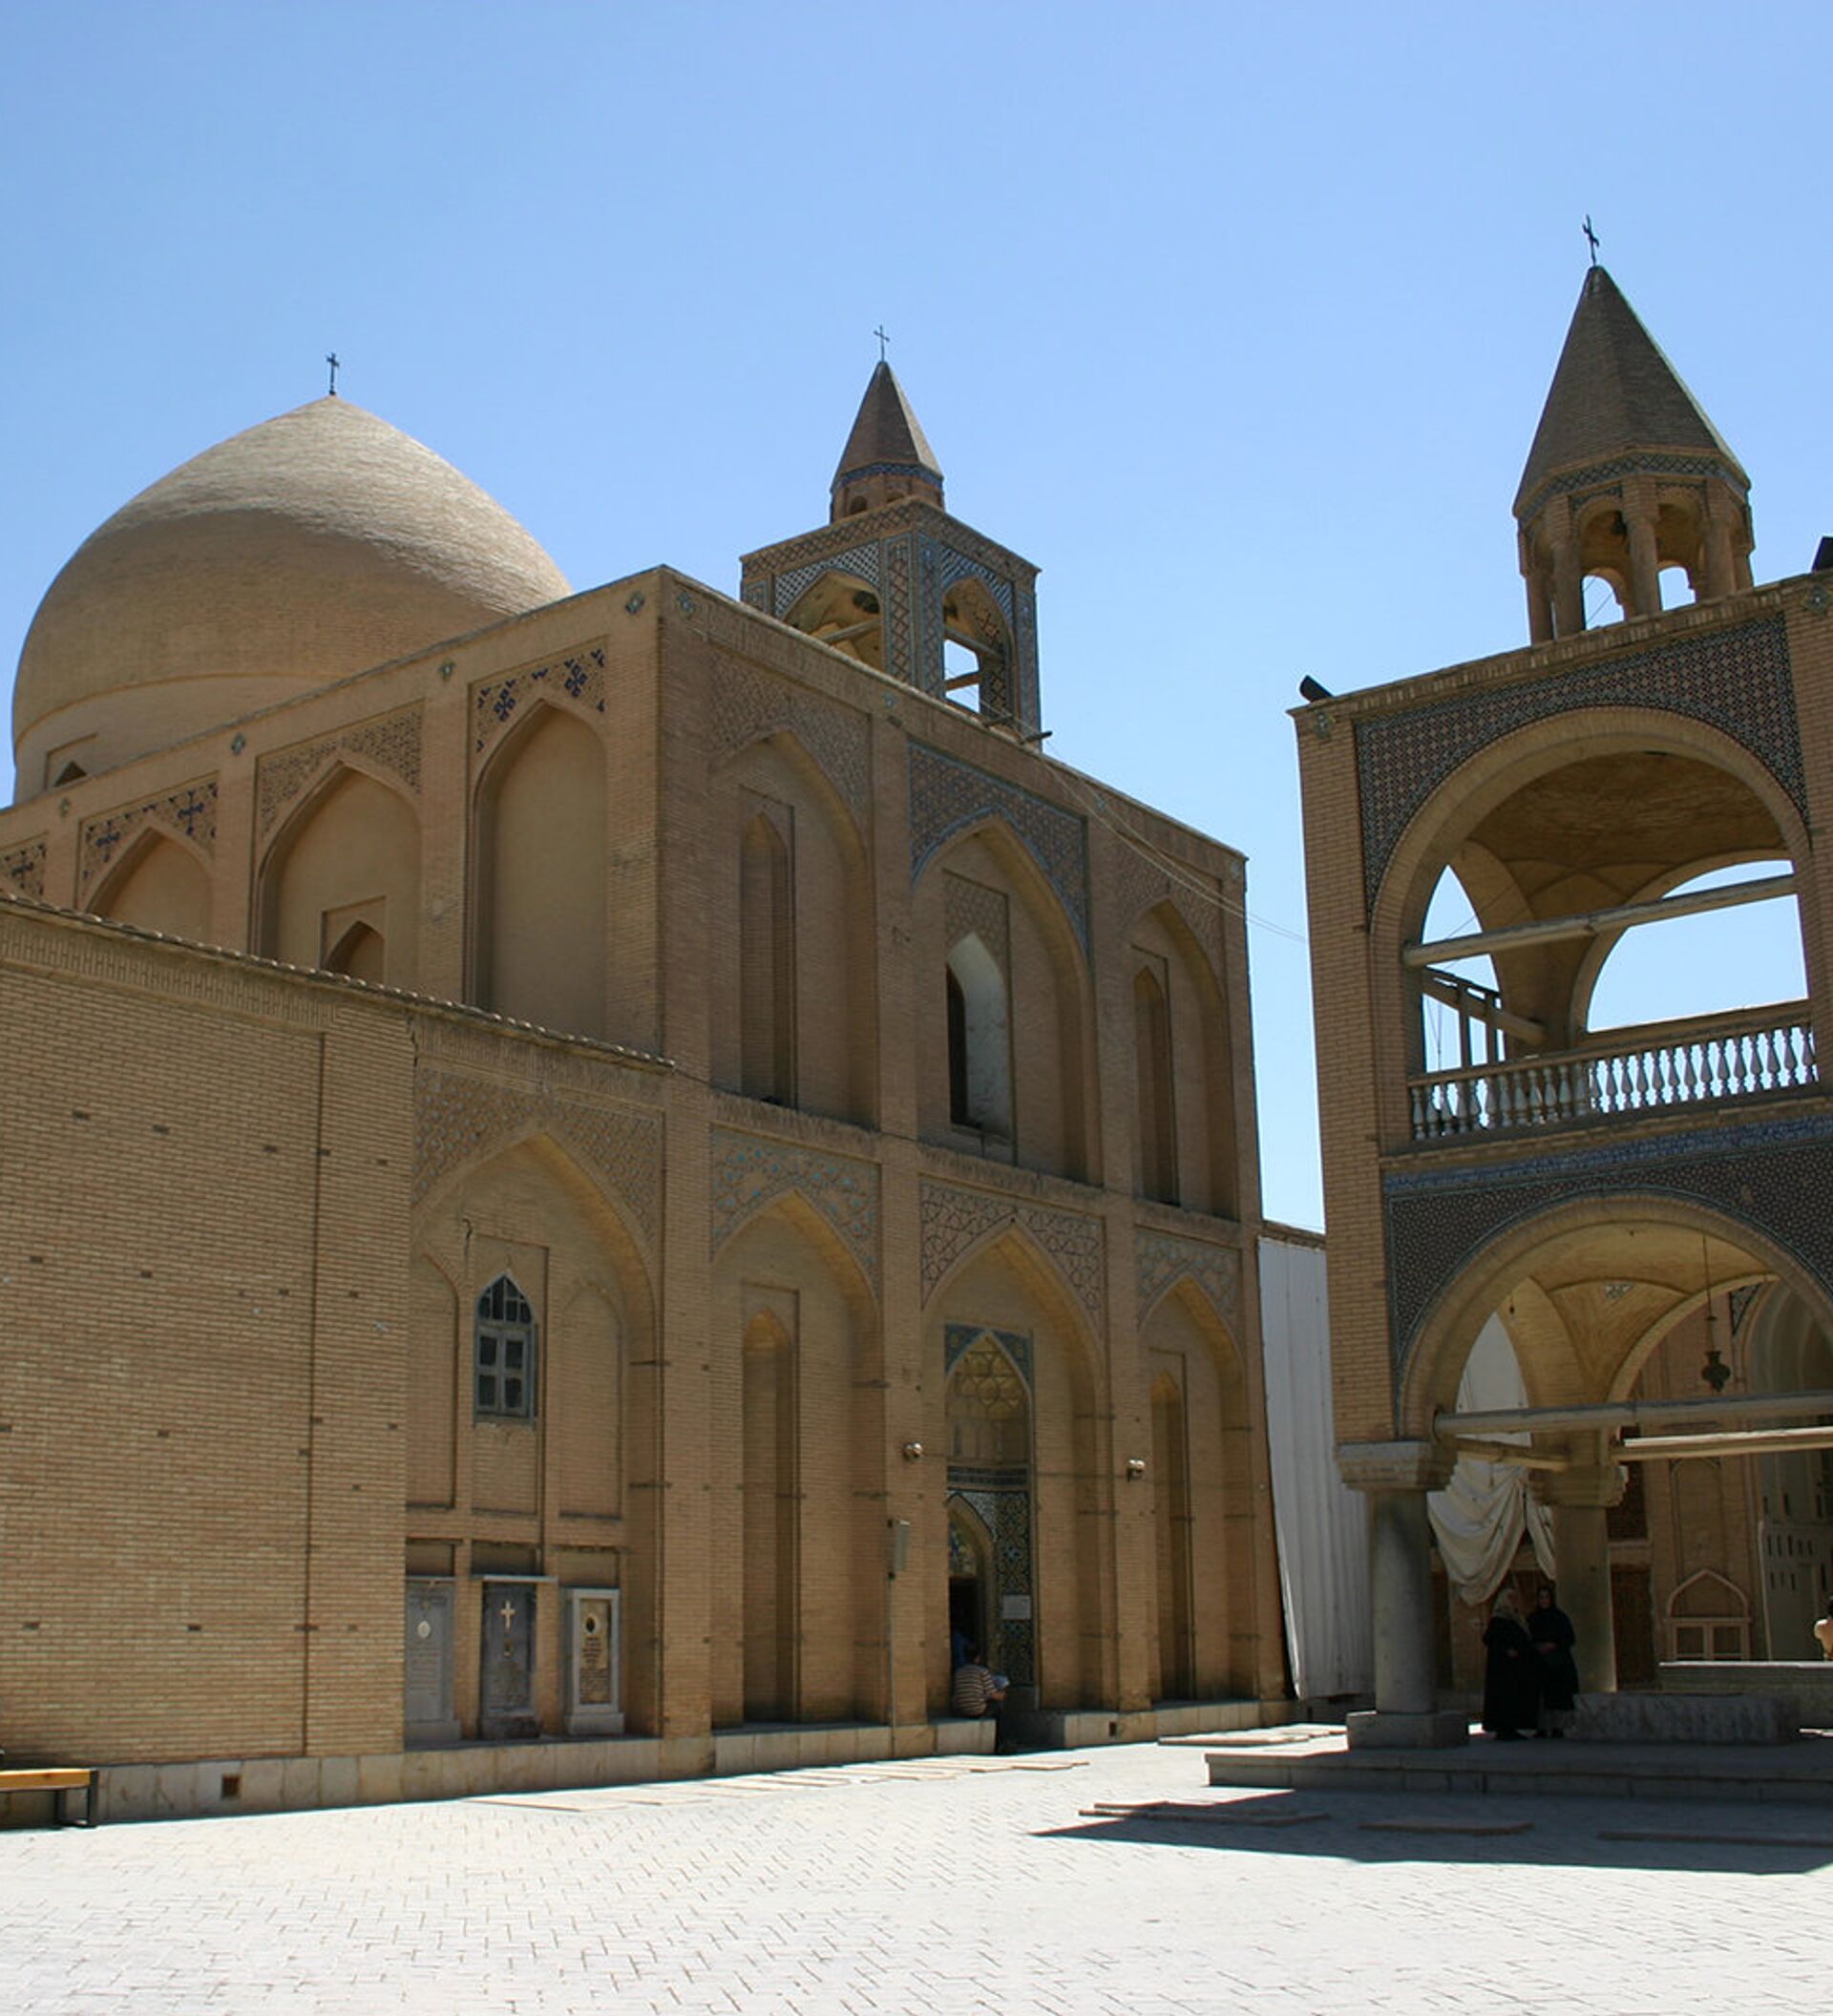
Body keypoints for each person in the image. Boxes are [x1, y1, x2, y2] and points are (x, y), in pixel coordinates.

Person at [1481, 1586, 1539, 1741]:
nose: (1513, 1601)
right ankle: (1503, 1728)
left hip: (1517, 1668)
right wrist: (1506, 1650)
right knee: (1504, 1698)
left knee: (1515, 1697)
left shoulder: (1518, 1619)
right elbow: (1490, 1640)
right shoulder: (1498, 1620)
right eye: (1510, 1598)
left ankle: (1512, 1727)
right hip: (1502, 1669)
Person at [1528, 1582, 1579, 1738]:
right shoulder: (1533, 1618)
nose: (1544, 1600)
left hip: (1558, 1663)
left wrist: (1554, 1645)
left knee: (1557, 1696)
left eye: (1546, 1597)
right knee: (1541, 1697)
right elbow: (1527, 1639)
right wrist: (1538, 1647)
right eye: (1541, 1597)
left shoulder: (1560, 1618)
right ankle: (1541, 1727)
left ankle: (1558, 1727)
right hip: (1539, 1663)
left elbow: (1570, 1638)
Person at [951, 1644, 1007, 1720]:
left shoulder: (958, 1672)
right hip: (978, 1710)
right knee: (998, 1705)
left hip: (962, 1710)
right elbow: (993, 1694)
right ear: (978, 1658)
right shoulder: (982, 1671)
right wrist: (1007, 1696)